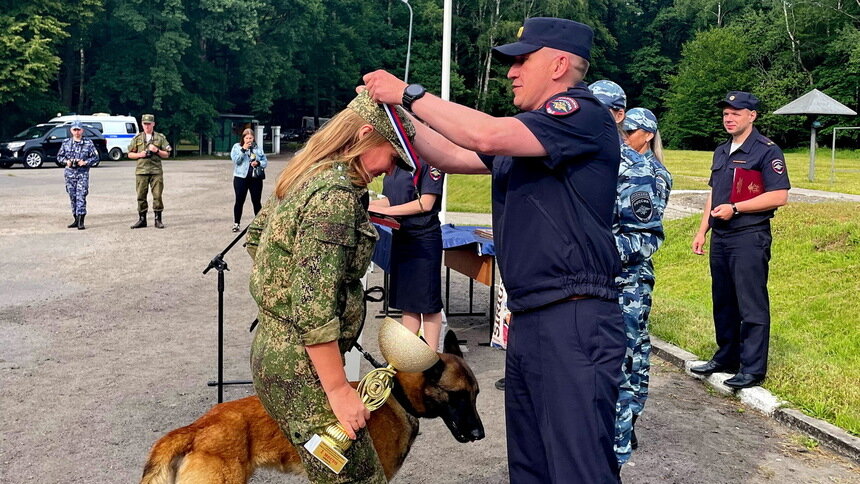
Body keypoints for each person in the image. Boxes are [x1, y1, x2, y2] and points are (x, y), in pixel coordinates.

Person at [362, 16, 625, 483]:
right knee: (531, 460)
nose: (511, 72)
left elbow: (483, 135)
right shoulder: (529, 134)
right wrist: (394, 115)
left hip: (573, 315)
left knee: (577, 463)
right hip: (534, 314)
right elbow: (450, 154)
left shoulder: (581, 114)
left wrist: (409, 92)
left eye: (523, 60)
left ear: (559, 64)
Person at [245, 90, 416, 484]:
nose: (392, 171)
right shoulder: (335, 196)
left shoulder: (309, 174)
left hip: (280, 355)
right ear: (366, 135)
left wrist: (284, 297)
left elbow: (258, 240)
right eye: (393, 156)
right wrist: (339, 390)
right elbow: (314, 309)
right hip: (306, 374)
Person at [690, 91, 790, 389]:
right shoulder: (722, 150)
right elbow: (713, 193)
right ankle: (726, 357)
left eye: (736, 113)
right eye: (725, 114)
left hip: (749, 235)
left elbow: (779, 196)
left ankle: (753, 368)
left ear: (752, 116)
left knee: (751, 304)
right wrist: (702, 229)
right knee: (723, 300)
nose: (729, 118)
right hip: (721, 237)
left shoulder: (766, 151)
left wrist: (736, 208)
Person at [614, 107, 673, 465]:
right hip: (623, 273)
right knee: (629, 348)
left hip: (632, 274)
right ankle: (626, 416)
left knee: (632, 349)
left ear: (648, 134)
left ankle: (630, 415)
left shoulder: (650, 173)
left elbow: (643, 231)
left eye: (631, 131)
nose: (626, 135)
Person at [368, 163, 445, 350]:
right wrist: (364, 205)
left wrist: (385, 212)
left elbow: (426, 203)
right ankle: (410, 356)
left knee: (428, 302)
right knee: (408, 302)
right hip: (402, 237)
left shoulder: (429, 162)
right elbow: (392, 200)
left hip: (423, 240)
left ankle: (431, 356)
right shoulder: (396, 163)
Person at [128, 114, 172, 229]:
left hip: (156, 171)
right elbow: (129, 154)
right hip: (141, 171)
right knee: (141, 195)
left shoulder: (160, 138)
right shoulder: (137, 138)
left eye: (149, 124)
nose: (147, 126)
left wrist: (157, 150)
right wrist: (140, 154)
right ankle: (142, 219)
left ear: (153, 124)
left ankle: (158, 219)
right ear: (142, 124)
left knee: (157, 195)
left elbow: (167, 154)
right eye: (145, 124)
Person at [58, 121, 99, 230]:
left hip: (82, 174)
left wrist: (85, 162)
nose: (77, 132)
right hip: (70, 174)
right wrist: (66, 162)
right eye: (74, 130)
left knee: (81, 196)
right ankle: (75, 218)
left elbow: (95, 158)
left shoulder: (88, 143)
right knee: (73, 196)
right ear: (71, 130)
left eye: (78, 130)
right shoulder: (66, 142)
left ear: (82, 130)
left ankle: (81, 220)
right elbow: (59, 157)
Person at [230, 128, 268, 232]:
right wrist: (243, 150)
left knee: (256, 201)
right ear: (243, 138)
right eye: (246, 138)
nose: (249, 140)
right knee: (239, 201)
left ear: (253, 138)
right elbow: (236, 161)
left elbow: (265, 162)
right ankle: (236, 223)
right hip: (240, 178)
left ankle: (259, 224)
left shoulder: (258, 149)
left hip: (255, 178)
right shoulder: (237, 147)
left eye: (250, 138)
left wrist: (258, 163)